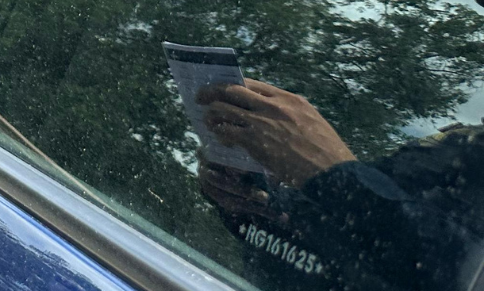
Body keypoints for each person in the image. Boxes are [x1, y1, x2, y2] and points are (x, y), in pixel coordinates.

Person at [196, 78, 484, 289]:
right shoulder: (457, 148)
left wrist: (333, 172)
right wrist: (252, 199)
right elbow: (338, 223)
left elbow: (462, 274)